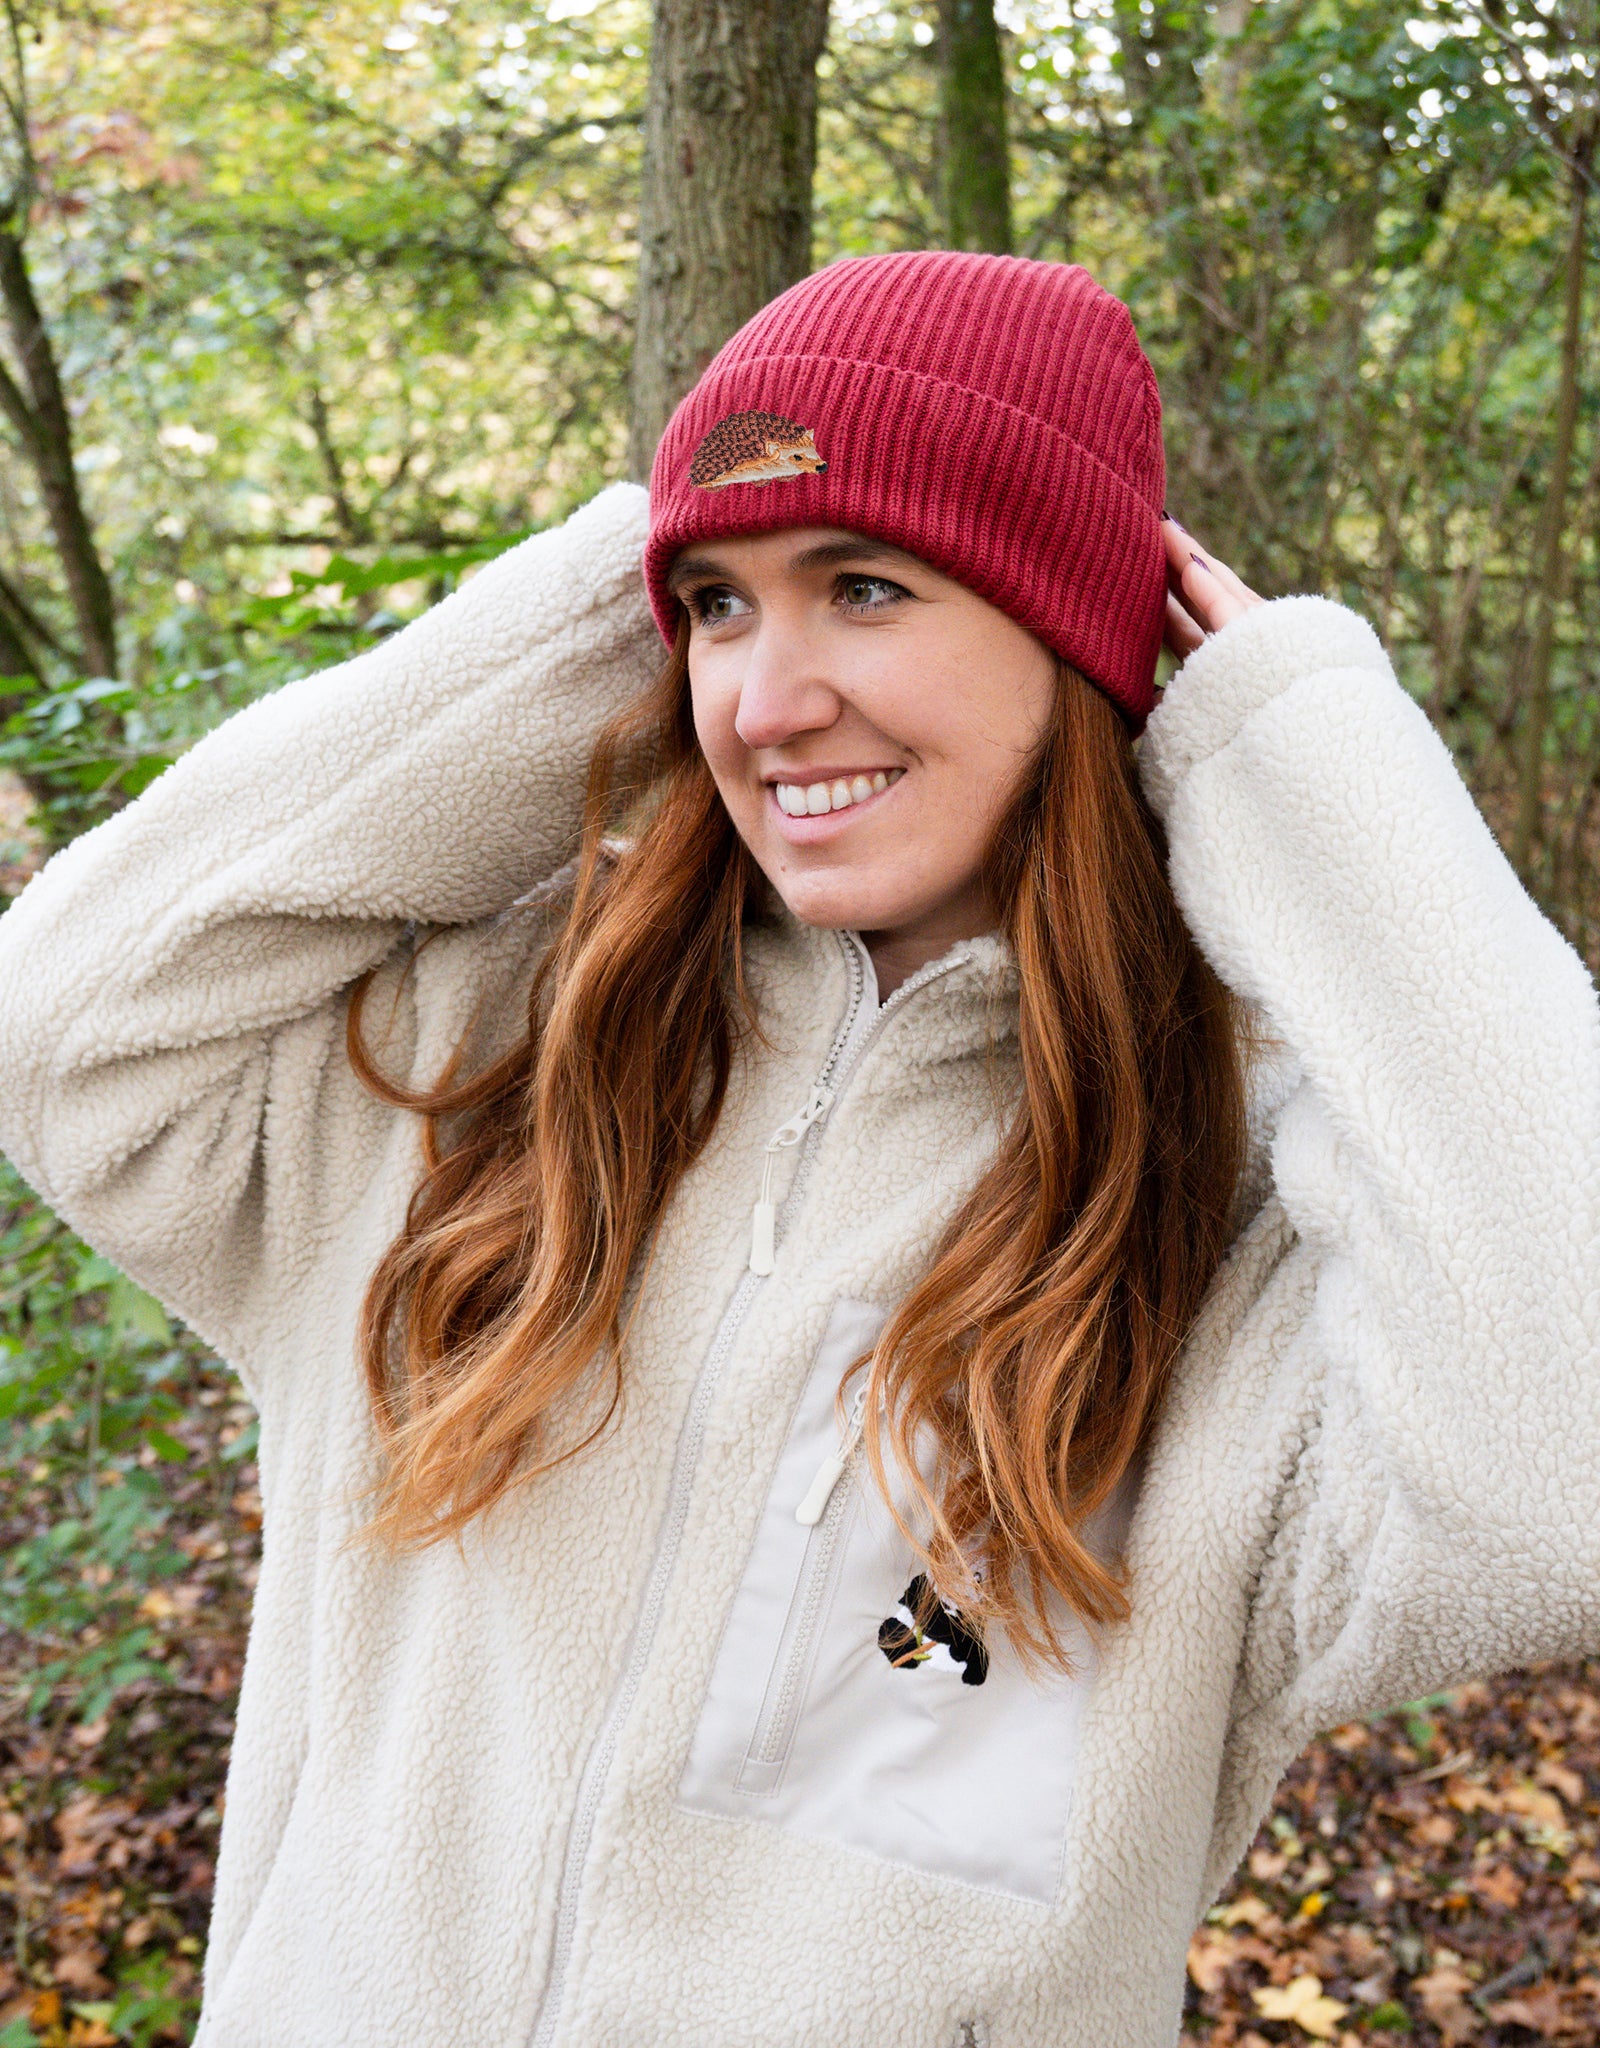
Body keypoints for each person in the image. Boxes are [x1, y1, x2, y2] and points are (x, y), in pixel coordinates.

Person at [0, 250, 1595, 2048]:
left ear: (1077, 632)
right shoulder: (482, 1068)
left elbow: (1565, 1479)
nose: (766, 702)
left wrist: (1289, 743)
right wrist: (599, 614)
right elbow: (65, 1027)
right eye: (719, 605)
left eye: (862, 585)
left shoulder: (1235, 1227)